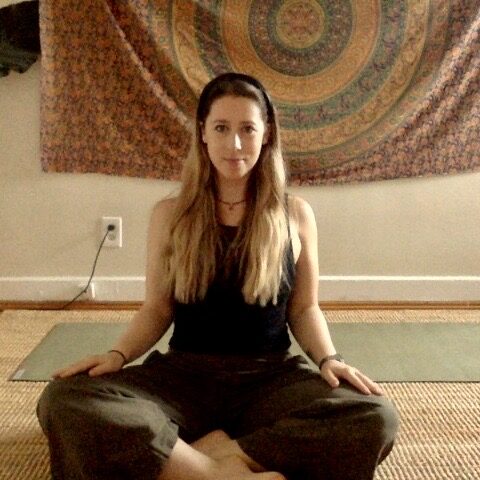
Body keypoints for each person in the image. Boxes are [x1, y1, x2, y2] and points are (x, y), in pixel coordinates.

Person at [37, 72, 399, 480]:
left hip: (270, 379)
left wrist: (329, 359)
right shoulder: (169, 215)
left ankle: (212, 456)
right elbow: (157, 309)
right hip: (184, 377)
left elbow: (304, 308)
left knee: (375, 414)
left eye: (248, 129)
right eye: (222, 128)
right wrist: (117, 355)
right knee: (65, 399)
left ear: (267, 134)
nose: (235, 144)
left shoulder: (295, 214)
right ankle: (218, 473)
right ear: (203, 133)